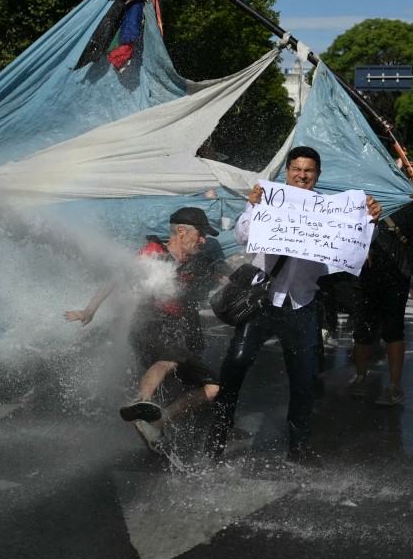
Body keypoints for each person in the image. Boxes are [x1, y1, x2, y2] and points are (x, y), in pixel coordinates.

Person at [206, 147, 382, 464]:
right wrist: (254, 205)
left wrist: (370, 219)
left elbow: (356, 244)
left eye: (309, 170)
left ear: (318, 175)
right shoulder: (269, 199)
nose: (302, 175)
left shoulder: (330, 209)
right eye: (297, 169)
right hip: (262, 302)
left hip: (302, 305)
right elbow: (243, 234)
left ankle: (298, 448)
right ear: (286, 172)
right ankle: (217, 435)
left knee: (304, 381)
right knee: (235, 366)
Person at [64, 207, 222, 454]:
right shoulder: (154, 253)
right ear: (181, 231)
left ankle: (156, 422)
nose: (203, 240)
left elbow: (219, 280)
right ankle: (142, 401)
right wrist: (89, 310)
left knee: (212, 388)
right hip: (147, 322)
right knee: (169, 359)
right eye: (200, 234)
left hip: (175, 330)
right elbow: (116, 278)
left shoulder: (196, 262)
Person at [346, 203, 413, 406]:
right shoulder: (355, 201)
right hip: (363, 278)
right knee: (362, 330)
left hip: (396, 276)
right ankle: (360, 377)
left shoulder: (404, 205)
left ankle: (394, 385)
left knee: (393, 330)